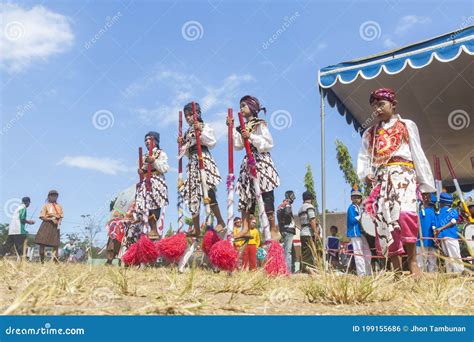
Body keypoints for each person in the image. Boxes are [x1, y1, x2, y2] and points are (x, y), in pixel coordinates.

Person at [357, 88, 435, 277]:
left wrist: (425, 183)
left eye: (381, 104)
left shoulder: (406, 125)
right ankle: (396, 268)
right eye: (374, 106)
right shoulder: (369, 133)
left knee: (406, 215)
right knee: (386, 221)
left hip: (404, 176)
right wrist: (365, 174)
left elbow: (417, 153)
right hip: (382, 180)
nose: (377, 109)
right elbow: (364, 157)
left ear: (393, 104)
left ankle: (413, 261)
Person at [229, 95, 281, 242]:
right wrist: (232, 128)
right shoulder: (242, 126)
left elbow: (268, 143)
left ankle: (272, 227)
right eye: (240, 106)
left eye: (243, 106)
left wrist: (251, 136)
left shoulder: (260, 124)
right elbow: (238, 146)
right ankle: (245, 228)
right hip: (248, 163)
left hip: (261, 161)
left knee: (266, 193)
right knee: (245, 194)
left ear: (252, 107)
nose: (241, 109)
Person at [179, 102, 225, 237]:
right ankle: (196, 228)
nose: (187, 118)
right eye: (186, 116)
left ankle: (220, 221)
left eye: (190, 114)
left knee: (208, 191)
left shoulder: (205, 126)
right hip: (192, 164)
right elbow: (186, 153)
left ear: (197, 113)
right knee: (192, 195)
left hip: (203, 159)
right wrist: (182, 144)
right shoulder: (187, 133)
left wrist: (200, 131)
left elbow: (212, 142)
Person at [136, 131, 169, 240]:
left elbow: (165, 168)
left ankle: (154, 229)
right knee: (144, 204)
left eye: (149, 139)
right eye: (145, 140)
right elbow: (141, 168)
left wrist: (154, 161)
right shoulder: (144, 156)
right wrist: (141, 171)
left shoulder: (161, 153)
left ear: (155, 141)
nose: (146, 142)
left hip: (156, 181)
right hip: (145, 182)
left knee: (155, 203)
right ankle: (144, 228)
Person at [434, 192, 464, 273]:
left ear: (442, 203)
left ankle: (458, 272)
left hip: (447, 237)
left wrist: (440, 230)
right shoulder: (453, 211)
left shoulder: (439, 213)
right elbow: (453, 221)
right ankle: (454, 273)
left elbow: (452, 222)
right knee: (453, 255)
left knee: (451, 256)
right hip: (449, 237)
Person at [346, 186, 372, 276]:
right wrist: (361, 216)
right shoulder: (351, 208)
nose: (356, 199)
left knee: (367, 252)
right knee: (358, 253)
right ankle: (361, 274)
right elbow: (352, 220)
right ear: (351, 198)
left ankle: (368, 272)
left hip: (361, 233)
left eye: (358, 197)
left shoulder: (359, 208)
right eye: (354, 197)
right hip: (354, 233)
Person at [35, 190, 64, 263]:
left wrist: (59, 222)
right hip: (46, 225)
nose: (54, 197)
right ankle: (42, 262)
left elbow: (61, 216)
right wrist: (50, 219)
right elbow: (42, 217)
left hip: (55, 226)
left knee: (55, 245)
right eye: (52, 196)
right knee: (42, 243)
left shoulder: (59, 206)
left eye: (56, 196)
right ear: (49, 197)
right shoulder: (46, 206)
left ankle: (56, 263)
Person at [298, 191, 319, 273]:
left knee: (304, 252)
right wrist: (315, 232)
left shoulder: (300, 208)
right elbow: (312, 219)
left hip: (302, 232)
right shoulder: (310, 207)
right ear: (311, 199)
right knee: (309, 253)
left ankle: (303, 269)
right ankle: (308, 270)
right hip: (308, 233)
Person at [416, 193, 438, 273]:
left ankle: (421, 279)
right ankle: (432, 278)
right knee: (432, 262)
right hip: (432, 242)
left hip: (420, 241)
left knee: (420, 262)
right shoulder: (435, 214)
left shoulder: (419, 213)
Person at [277, 190, 296, 273]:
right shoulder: (287, 204)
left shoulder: (281, 205)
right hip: (289, 229)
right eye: (293, 196)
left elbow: (278, 217)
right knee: (288, 251)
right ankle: (287, 271)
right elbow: (288, 212)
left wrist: (281, 229)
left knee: (289, 250)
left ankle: (289, 269)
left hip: (284, 229)